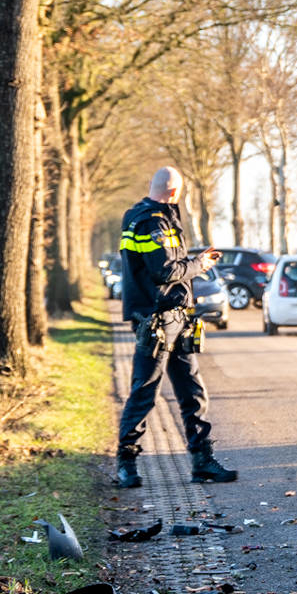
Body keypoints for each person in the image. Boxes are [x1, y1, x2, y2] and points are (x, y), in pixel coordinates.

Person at [114, 167, 238, 488]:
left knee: (192, 392)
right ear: (174, 192)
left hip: (177, 317)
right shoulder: (151, 221)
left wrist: (194, 260)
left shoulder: (157, 217)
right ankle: (126, 463)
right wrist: (201, 265)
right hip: (156, 320)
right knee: (145, 391)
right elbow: (164, 271)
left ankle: (203, 462)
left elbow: (167, 262)